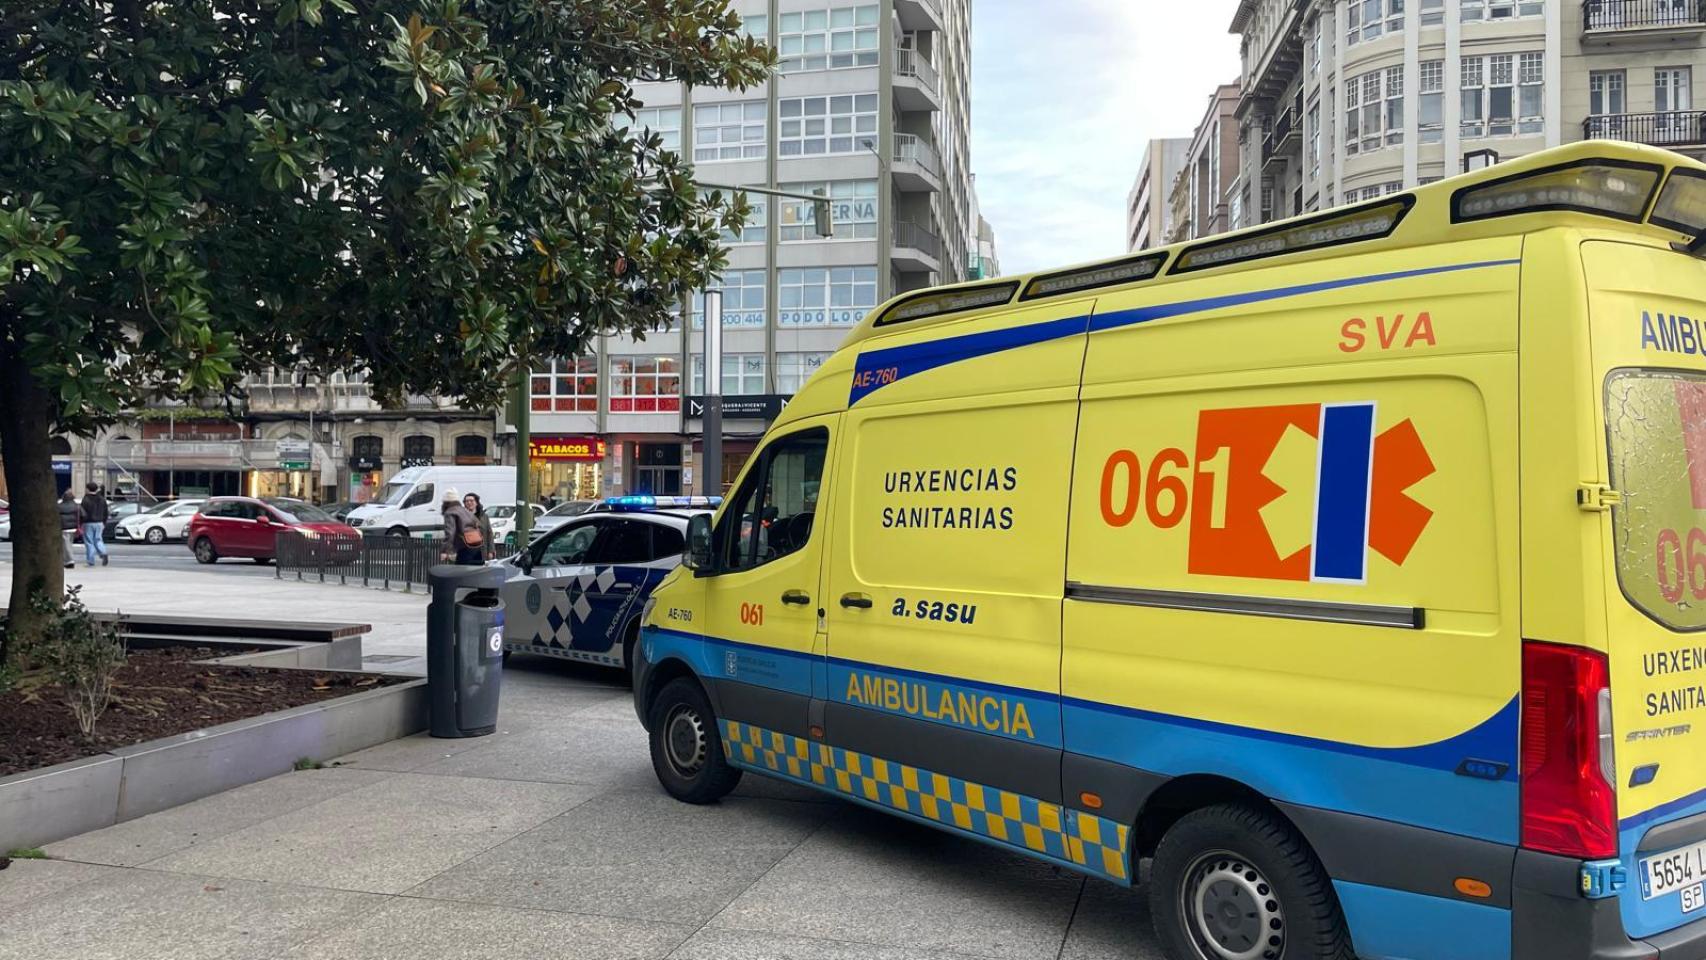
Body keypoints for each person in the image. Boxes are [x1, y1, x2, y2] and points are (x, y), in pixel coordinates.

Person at [440, 487, 481, 565]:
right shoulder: (464, 510)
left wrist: (445, 551)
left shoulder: (449, 512)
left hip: (464, 547)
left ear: (445, 502)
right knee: (476, 570)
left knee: (460, 570)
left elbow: (450, 533)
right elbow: (477, 524)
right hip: (477, 544)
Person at [80, 482, 110, 567]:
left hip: (88, 522)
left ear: (87, 489)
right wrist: (104, 522)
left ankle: (91, 561)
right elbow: (106, 512)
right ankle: (103, 552)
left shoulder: (85, 499)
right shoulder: (102, 499)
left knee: (89, 541)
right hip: (99, 522)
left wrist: (81, 522)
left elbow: (82, 512)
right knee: (98, 539)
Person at [462, 493, 496, 562]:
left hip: (481, 551)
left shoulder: (484, 516)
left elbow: (489, 534)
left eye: (471, 501)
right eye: (467, 501)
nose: (469, 503)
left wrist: (491, 551)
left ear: (476, 502)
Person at [57, 489, 80, 569]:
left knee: (66, 545)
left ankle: (70, 560)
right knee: (69, 544)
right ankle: (67, 560)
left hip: (63, 527)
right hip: (73, 528)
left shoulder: (59, 506)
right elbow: (83, 515)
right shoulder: (76, 506)